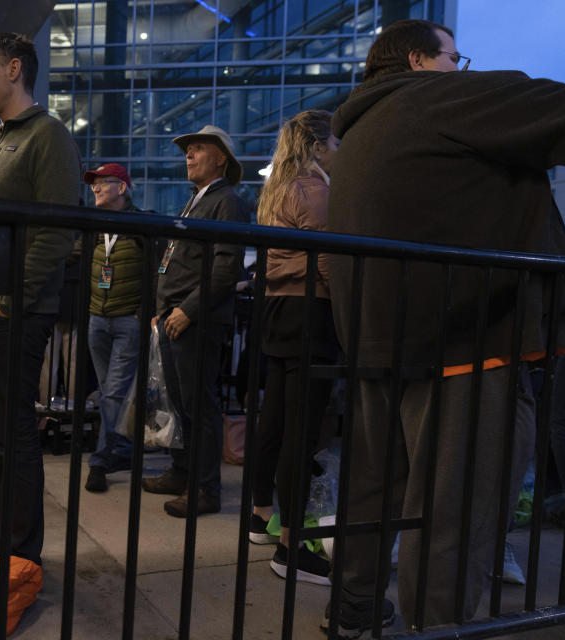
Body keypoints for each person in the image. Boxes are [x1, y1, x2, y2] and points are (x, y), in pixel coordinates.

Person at [324, 19, 565, 636]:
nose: (462, 71)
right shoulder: (431, 96)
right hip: (464, 340)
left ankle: (354, 610)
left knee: (375, 491)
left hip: (380, 340)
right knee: (458, 510)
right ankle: (437, 629)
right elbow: (561, 108)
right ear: (417, 59)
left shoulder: (359, 126)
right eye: (454, 59)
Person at [0, 32, 80, 565]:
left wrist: (13, 299)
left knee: (13, 435)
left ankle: (20, 552)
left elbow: (56, 232)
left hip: (13, 311)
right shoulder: (1, 138)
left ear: (13, 69)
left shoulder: (47, 135)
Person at [248, 110, 340, 585]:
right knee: (301, 430)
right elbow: (328, 259)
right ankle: (291, 549)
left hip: (278, 310)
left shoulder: (277, 187)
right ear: (319, 145)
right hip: (310, 311)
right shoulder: (314, 188)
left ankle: (263, 515)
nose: (339, 151)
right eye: (336, 143)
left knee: (278, 420)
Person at [142, 125, 246, 517]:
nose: (189, 154)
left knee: (198, 406)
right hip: (176, 317)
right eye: (188, 149)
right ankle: (183, 471)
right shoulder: (197, 200)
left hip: (196, 320)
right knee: (180, 405)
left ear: (221, 158)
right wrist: (165, 307)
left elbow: (225, 269)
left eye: (198, 148)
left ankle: (205, 489)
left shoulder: (227, 202)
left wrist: (187, 309)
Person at [82, 163, 142, 493]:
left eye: (103, 182)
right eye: (94, 184)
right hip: (96, 318)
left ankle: (99, 461)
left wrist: (142, 311)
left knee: (113, 392)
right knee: (109, 392)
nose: (96, 188)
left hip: (126, 321)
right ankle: (125, 450)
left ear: (122, 187)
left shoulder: (140, 225)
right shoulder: (93, 227)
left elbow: (158, 269)